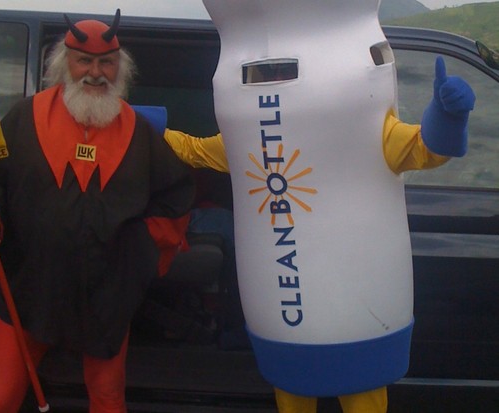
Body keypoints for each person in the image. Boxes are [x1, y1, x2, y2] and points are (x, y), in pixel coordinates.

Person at [163, 56, 475, 413]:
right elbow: (192, 150)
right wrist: (136, 125)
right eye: (269, 74)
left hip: (353, 305)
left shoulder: (362, 129)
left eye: (287, 72)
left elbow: (425, 147)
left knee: (363, 394)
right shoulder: (252, 139)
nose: (280, 83)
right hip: (290, 307)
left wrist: (448, 118)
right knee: (294, 390)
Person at [0, 9, 194, 413]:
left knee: (107, 399)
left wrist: (132, 259)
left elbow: (175, 196)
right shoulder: (24, 118)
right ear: (64, 63)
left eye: (107, 62)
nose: (96, 72)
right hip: (29, 286)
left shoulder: (139, 133)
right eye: (85, 60)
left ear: (120, 67)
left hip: (105, 300)